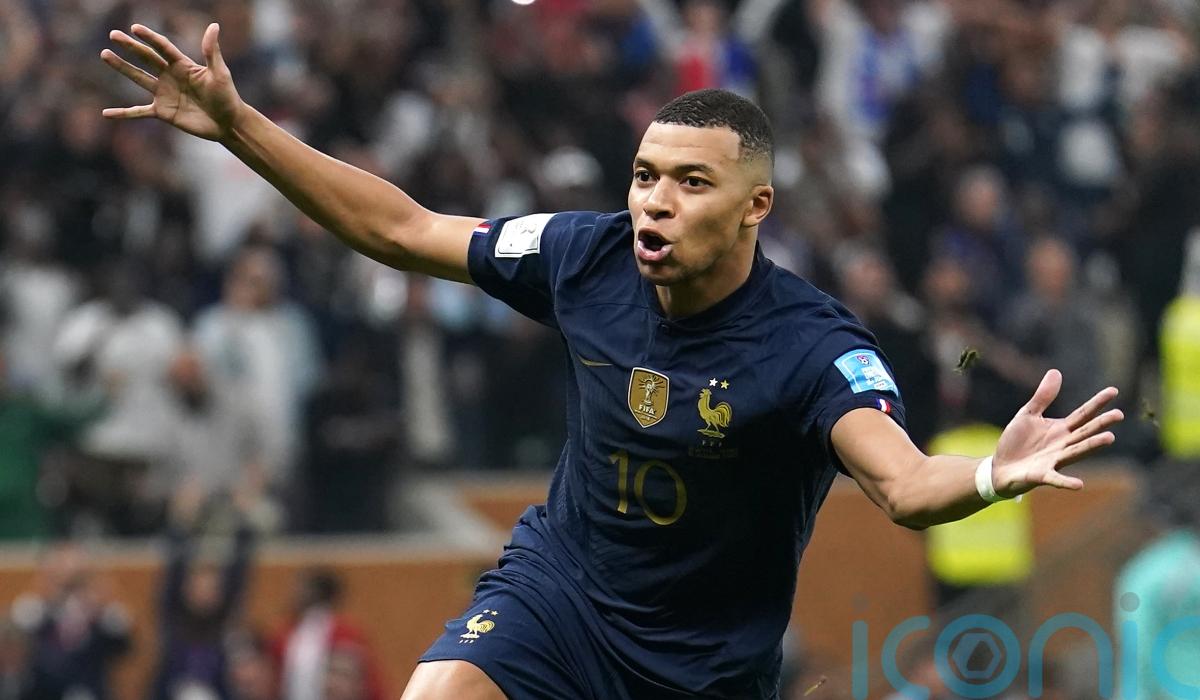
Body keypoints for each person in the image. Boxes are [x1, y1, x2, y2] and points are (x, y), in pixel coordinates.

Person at [100, 24, 1125, 699]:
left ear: (757, 207)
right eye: (644, 176)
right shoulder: (581, 256)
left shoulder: (813, 346)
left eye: (689, 183)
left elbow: (901, 484)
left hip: (702, 668)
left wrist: (990, 475)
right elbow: (403, 229)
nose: (654, 203)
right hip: (559, 599)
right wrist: (237, 128)